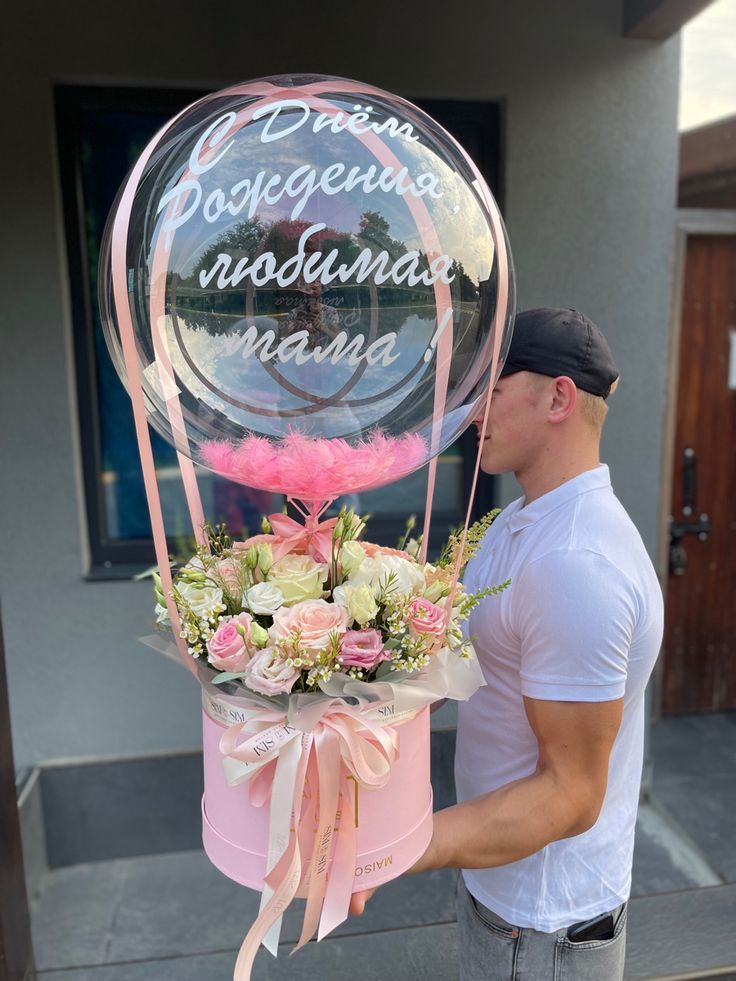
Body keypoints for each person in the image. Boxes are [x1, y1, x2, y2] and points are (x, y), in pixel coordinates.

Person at [351, 307, 664, 981]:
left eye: (489, 389)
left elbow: (570, 794)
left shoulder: (576, 562)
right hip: (500, 891)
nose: (469, 413)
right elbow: (461, 670)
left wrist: (388, 848)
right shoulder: (519, 522)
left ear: (558, 397)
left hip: (545, 927)